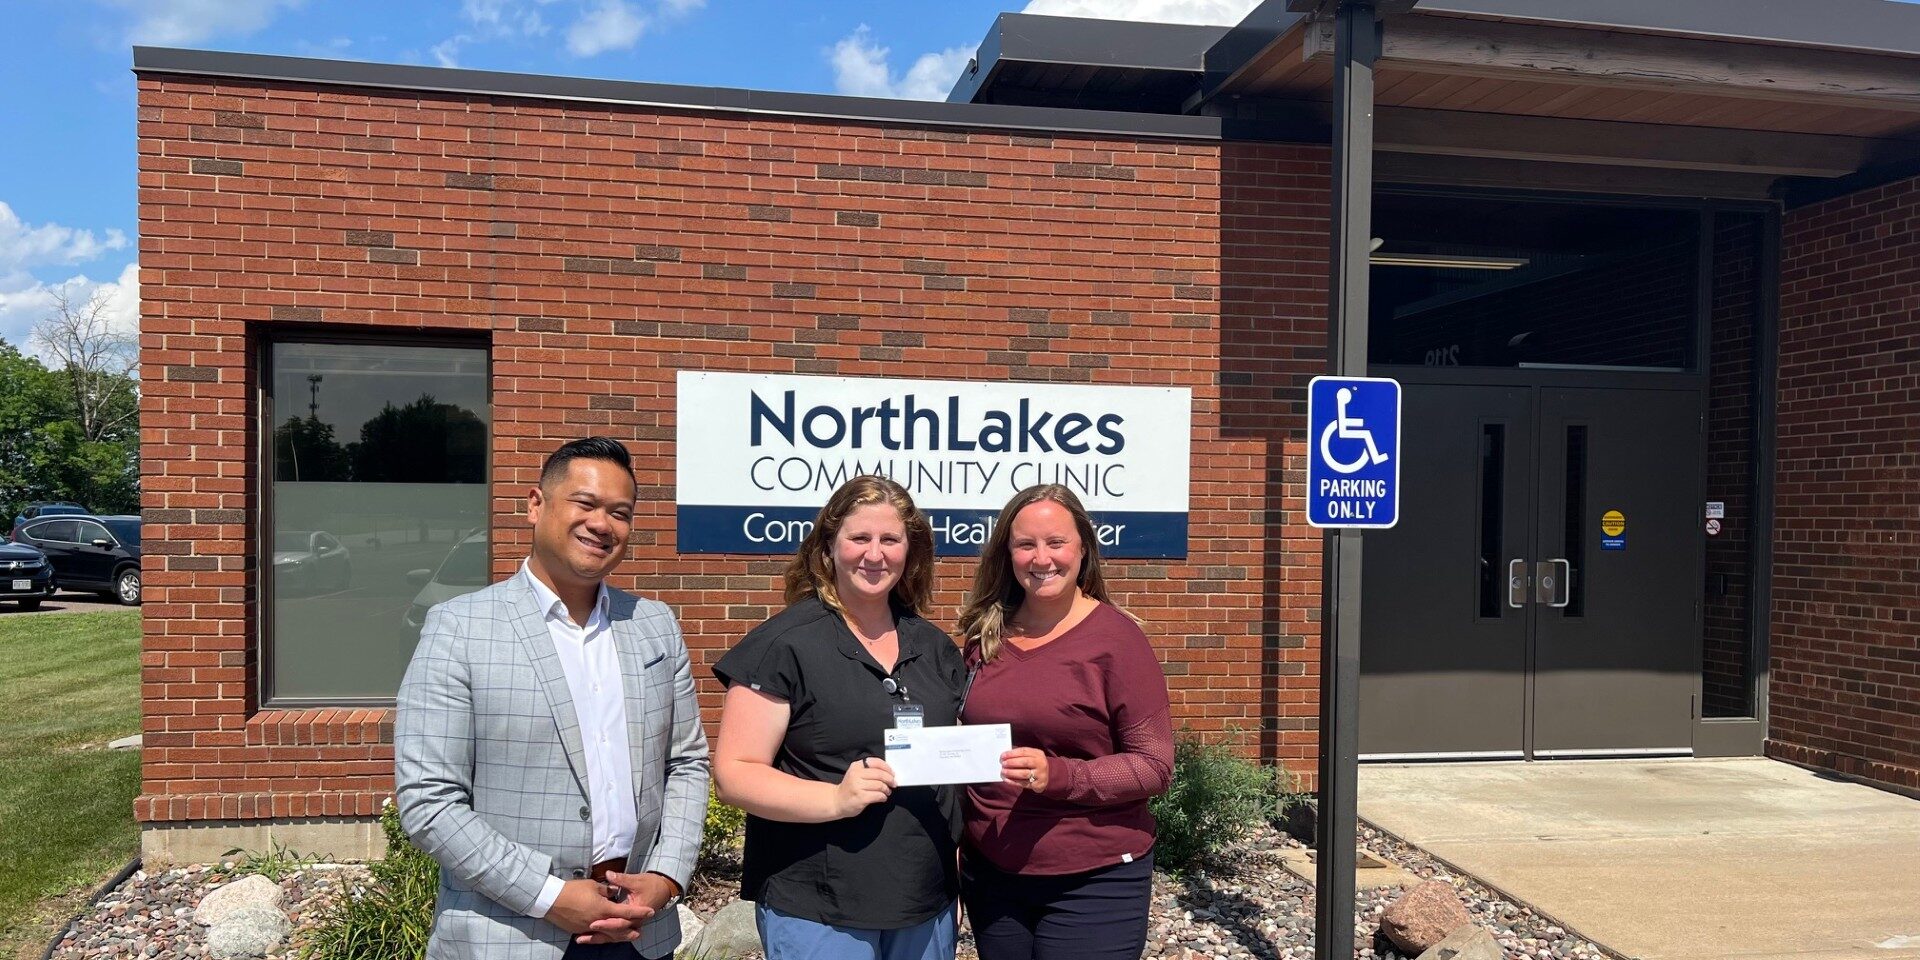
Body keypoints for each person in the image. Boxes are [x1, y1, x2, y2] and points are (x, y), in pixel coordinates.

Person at [396, 437, 710, 960]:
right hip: (511, 931)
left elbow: (686, 763)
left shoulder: (654, 625)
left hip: (638, 930)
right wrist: (549, 896)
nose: (602, 524)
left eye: (620, 512)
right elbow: (430, 800)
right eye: (585, 504)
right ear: (536, 505)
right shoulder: (460, 628)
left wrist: (664, 877)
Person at [710, 475, 967, 960]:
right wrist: (835, 799)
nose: (875, 554)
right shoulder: (785, 645)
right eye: (859, 538)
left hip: (923, 901)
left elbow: (947, 780)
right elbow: (734, 775)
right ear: (828, 546)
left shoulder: (933, 647)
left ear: (911, 552)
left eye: (890, 539)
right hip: (820, 908)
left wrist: (954, 878)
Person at [956, 484, 1174, 960]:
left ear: (1083, 550)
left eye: (1056, 542)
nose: (1041, 558)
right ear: (1006, 553)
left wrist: (1059, 775)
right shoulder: (985, 636)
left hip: (1092, 876)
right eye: (1025, 544)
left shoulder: (1117, 641)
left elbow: (1154, 765)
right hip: (993, 874)